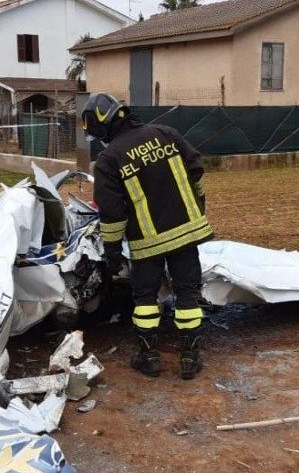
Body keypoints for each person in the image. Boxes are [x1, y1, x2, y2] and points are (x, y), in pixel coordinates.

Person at [81, 93, 213, 379]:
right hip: (186, 234)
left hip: (147, 242)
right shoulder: (167, 134)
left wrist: (113, 251)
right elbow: (197, 170)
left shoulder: (109, 159)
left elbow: (112, 212)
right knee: (188, 295)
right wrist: (198, 206)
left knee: (144, 300)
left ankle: (148, 357)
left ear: (103, 126)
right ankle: (190, 359)